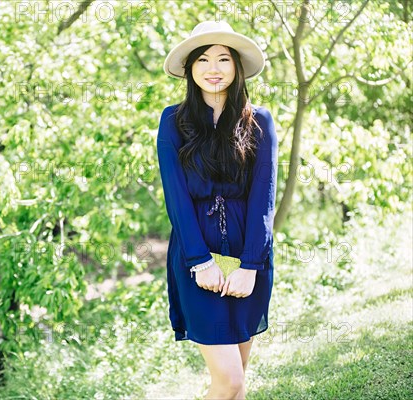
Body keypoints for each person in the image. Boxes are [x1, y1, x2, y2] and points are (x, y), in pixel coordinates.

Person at [156, 21, 278, 399]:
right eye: (203, 59)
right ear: (190, 69)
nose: (214, 67)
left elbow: (265, 196)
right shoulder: (172, 121)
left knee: (237, 379)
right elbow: (175, 197)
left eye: (223, 59)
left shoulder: (260, 121)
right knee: (230, 381)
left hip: (248, 255)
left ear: (237, 67)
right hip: (197, 257)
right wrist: (199, 261)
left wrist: (251, 266)